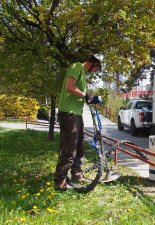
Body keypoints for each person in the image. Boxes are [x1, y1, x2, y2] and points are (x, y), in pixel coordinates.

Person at [54, 55, 101, 191]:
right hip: (69, 113)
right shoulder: (76, 67)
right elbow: (70, 87)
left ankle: (77, 174)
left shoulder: (82, 73)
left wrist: (89, 98)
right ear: (94, 64)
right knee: (69, 147)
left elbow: (77, 92)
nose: (95, 72)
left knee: (79, 146)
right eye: (97, 69)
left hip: (77, 113)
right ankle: (60, 180)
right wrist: (86, 95)